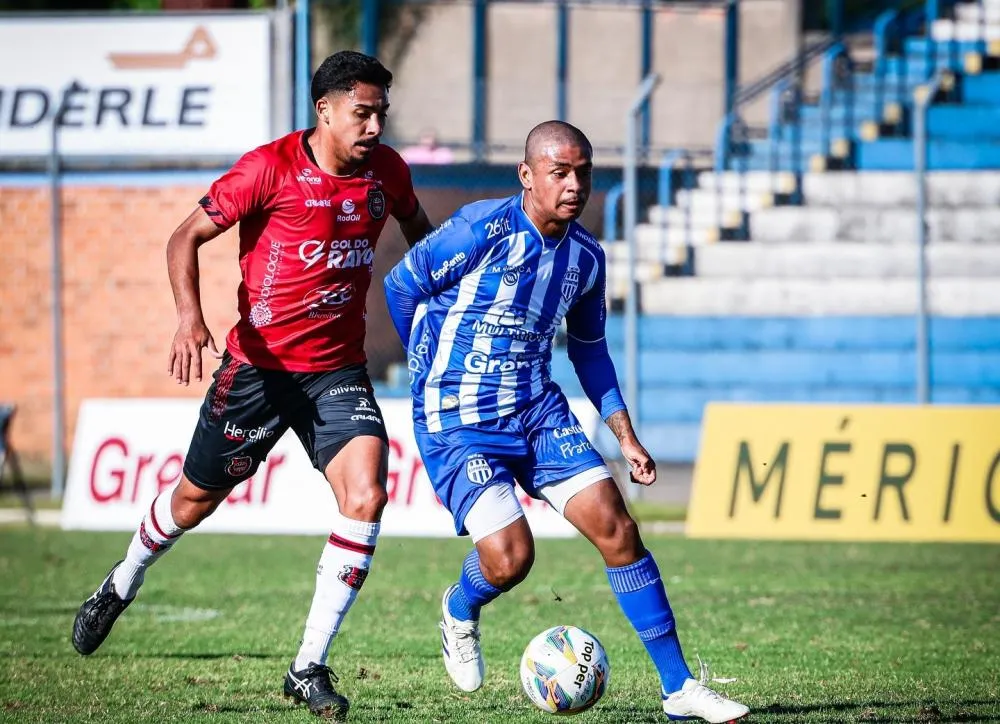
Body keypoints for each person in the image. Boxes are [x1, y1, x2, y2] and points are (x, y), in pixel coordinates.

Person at [72, 50, 434, 721]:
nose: (376, 124)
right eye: (364, 111)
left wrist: (438, 290)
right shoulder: (268, 169)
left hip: (336, 372)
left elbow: (421, 235)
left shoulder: (388, 173)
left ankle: (308, 666)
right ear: (325, 110)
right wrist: (189, 317)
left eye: (382, 110)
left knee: (367, 493)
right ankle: (122, 582)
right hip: (256, 373)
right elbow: (185, 236)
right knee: (192, 502)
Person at [383, 121, 749, 723]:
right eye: (560, 171)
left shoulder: (586, 257)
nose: (574, 183)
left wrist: (625, 435)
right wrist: (423, 366)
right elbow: (402, 285)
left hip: (536, 410)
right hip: (457, 420)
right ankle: (460, 605)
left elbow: (590, 350)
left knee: (617, 528)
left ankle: (679, 689)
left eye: (584, 171)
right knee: (510, 557)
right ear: (526, 176)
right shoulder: (480, 229)